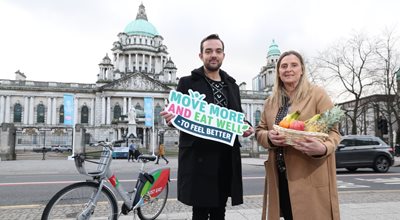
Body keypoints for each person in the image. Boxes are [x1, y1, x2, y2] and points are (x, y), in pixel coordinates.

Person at [160, 34, 254, 220]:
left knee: (220, 210)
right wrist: (171, 119)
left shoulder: (232, 86)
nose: (213, 55)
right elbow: (178, 116)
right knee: (200, 212)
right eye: (208, 51)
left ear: (223, 56)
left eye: (218, 51)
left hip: (225, 156)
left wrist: (246, 126)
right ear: (201, 55)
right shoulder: (187, 82)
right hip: (199, 158)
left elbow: (238, 116)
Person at [255, 50, 341, 220]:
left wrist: (323, 147)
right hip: (280, 176)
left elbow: (334, 132)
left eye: (294, 65)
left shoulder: (317, 94)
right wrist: (269, 138)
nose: (289, 69)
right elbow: (260, 131)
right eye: (284, 66)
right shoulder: (270, 102)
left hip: (309, 174)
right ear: (278, 71)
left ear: (302, 69)